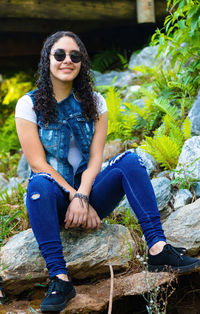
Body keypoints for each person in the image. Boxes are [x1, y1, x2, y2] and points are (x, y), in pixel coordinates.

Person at [15, 31, 200, 312]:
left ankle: (158, 249)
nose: (68, 60)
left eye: (75, 55)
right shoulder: (28, 105)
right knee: (38, 182)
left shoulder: (96, 103)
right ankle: (60, 278)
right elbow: (38, 164)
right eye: (60, 54)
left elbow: (95, 159)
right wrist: (74, 195)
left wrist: (84, 197)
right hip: (52, 199)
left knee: (130, 160)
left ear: (82, 62)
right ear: (47, 60)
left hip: (87, 199)